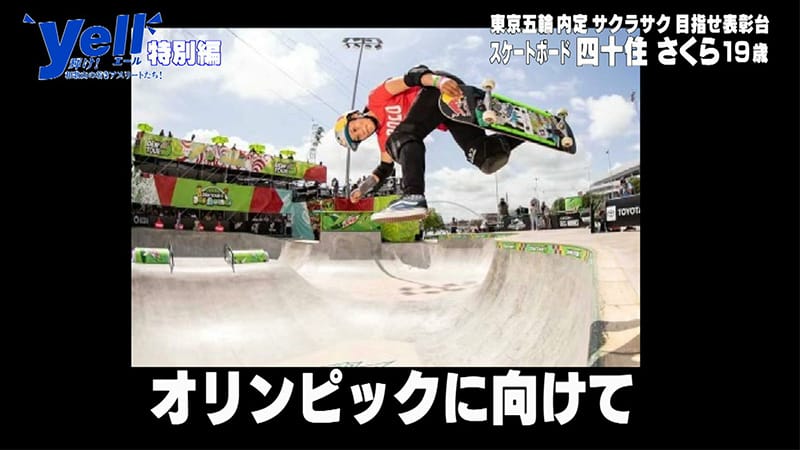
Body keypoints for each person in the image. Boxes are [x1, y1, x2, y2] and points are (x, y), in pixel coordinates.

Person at [333, 64, 525, 222]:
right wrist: (362, 189)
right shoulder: (383, 138)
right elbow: (384, 169)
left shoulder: (376, 98)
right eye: (358, 137)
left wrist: (439, 81)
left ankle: (413, 195)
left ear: (355, 116)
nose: (362, 132)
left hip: (438, 89)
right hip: (452, 113)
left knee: (400, 138)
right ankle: (526, 130)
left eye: (355, 129)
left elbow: (411, 78)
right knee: (486, 159)